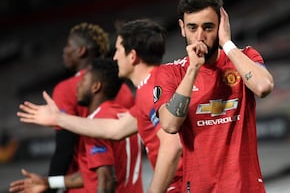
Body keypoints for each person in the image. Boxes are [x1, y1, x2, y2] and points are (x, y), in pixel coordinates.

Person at [14, 19, 183, 193]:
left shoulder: (151, 89)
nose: (115, 56)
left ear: (132, 56)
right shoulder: (146, 90)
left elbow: (172, 147)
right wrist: (58, 118)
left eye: (118, 50)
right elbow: (115, 129)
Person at [153, 0, 274, 192]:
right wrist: (193, 69)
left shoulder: (244, 57)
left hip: (245, 187)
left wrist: (227, 43)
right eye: (192, 27)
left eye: (208, 27)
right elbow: (170, 124)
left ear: (220, 27)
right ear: (182, 28)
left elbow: (263, 87)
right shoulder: (170, 73)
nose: (199, 36)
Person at [9, 59, 143, 193]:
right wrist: (48, 182)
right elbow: (92, 175)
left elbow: (107, 179)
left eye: (83, 80)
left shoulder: (95, 125)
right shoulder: (125, 116)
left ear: (95, 87)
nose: (78, 85)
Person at [45, 22, 136, 193]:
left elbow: (64, 149)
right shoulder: (123, 89)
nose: (64, 50)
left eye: (68, 45)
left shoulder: (66, 89)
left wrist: (50, 187)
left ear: (81, 51)